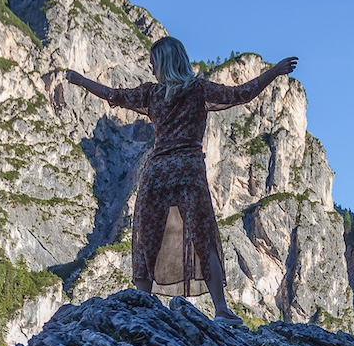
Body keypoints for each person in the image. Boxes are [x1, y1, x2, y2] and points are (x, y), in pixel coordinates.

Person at [66, 38, 298, 324]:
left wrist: (80, 80)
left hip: (157, 172)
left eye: (154, 63)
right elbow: (242, 93)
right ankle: (221, 309)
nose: (151, 68)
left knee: (147, 237)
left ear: (164, 64)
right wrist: (274, 72)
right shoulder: (198, 89)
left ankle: (144, 302)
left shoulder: (151, 95)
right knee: (204, 237)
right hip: (188, 171)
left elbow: (112, 94)